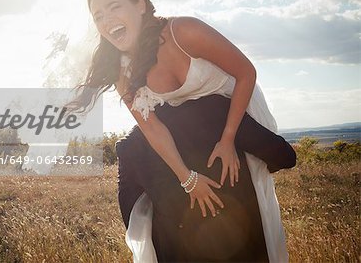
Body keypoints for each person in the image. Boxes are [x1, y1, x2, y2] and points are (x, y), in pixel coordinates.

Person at [65, 0, 295, 262]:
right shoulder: (121, 70)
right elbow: (151, 126)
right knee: (133, 152)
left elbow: (246, 72)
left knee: (251, 171)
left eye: (114, 7)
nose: (107, 20)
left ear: (140, 5)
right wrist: (187, 179)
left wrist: (228, 138)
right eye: (98, 15)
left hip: (232, 112)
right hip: (188, 129)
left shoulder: (183, 31)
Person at [116, 94, 296, 262]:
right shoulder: (218, 110)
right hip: (243, 247)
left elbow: (131, 217)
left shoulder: (131, 143)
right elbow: (284, 157)